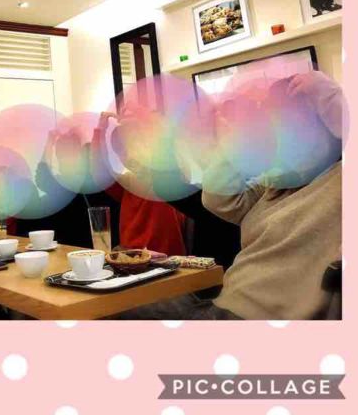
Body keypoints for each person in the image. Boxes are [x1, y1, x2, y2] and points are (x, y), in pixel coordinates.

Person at [113, 70, 343, 320]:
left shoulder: (339, 180)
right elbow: (217, 199)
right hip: (223, 304)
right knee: (114, 312)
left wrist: (330, 97)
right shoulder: (275, 182)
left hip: (251, 319)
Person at [93, 112, 187, 255]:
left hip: (168, 261)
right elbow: (99, 171)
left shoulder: (168, 179)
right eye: (120, 151)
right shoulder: (127, 184)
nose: (127, 156)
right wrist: (101, 129)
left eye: (133, 145)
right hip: (130, 261)